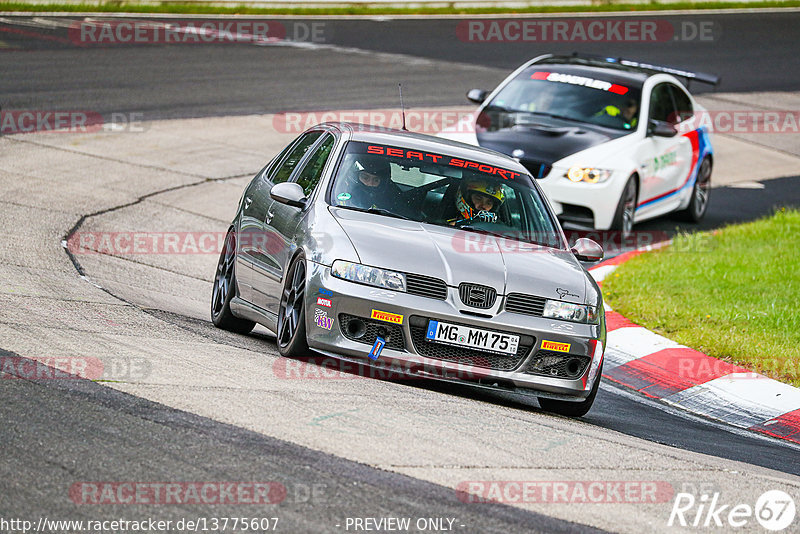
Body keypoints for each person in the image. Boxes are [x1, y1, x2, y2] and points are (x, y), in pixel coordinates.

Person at [335, 155, 403, 211]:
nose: (370, 183)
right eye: (365, 178)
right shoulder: (339, 192)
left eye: (376, 180)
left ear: (383, 182)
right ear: (356, 176)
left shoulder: (393, 198)